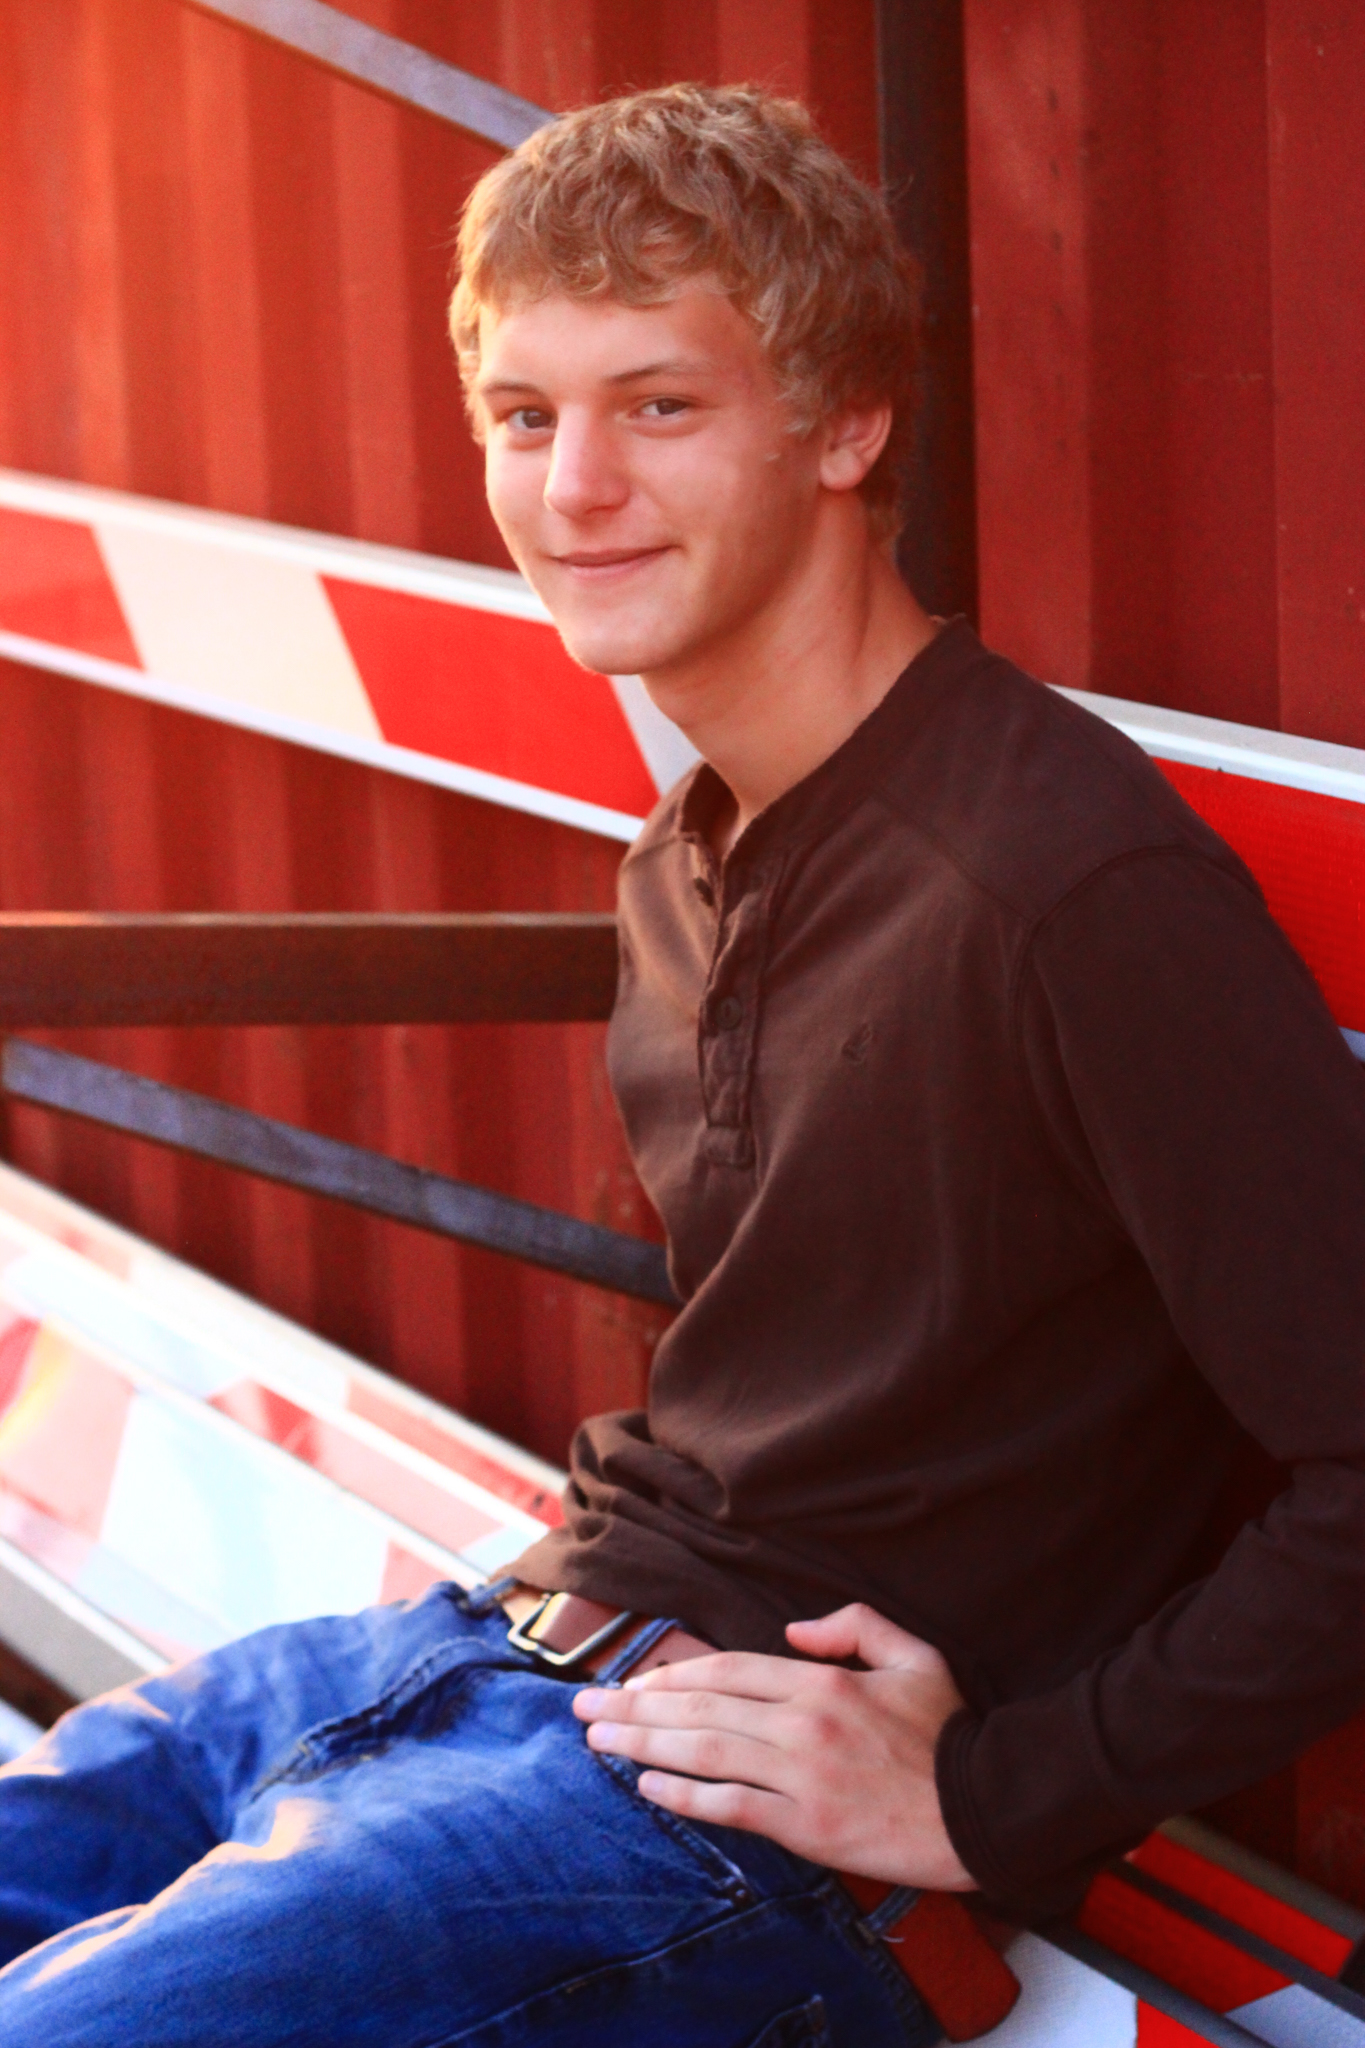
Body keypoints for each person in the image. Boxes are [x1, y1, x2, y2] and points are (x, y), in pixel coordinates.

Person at [1, 82, 1362, 2048]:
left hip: (710, 1830)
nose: (570, 489)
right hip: (459, 1657)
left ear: (844, 425)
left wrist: (991, 1790)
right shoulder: (681, 862)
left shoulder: (1064, 881)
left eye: (657, 406)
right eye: (522, 416)